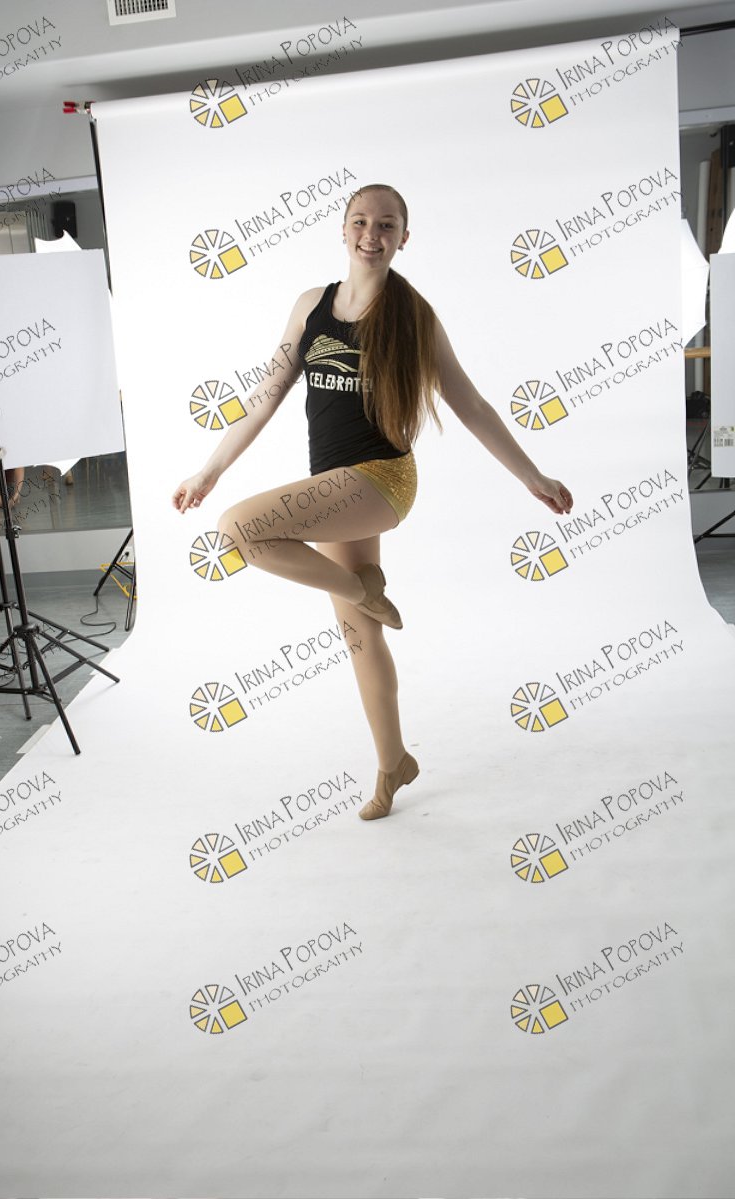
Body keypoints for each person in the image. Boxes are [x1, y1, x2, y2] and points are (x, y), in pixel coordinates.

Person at [173, 184, 573, 821]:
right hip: (333, 490)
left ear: (403, 238)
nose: (371, 234)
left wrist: (533, 476)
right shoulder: (311, 305)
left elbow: (470, 404)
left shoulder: (413, 316)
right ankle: (394, 764)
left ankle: (365, 590)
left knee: (239, 529)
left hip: (382, 480)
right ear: (343, 230)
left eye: (386, 225)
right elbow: (266, 395)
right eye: (360, 221)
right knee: (361, 637)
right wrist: (209, 469)